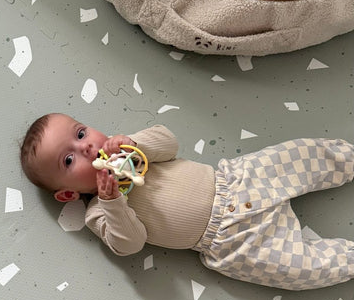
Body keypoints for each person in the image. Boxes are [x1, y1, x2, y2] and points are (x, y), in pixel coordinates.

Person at [20, 112, 354, 290]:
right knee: (296, 269)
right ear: (68, 194)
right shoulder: (99, 212)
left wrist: (134, 142)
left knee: (298, 156)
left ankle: (346, 159)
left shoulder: (131, 153)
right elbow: (130, 243)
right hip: (232, 240)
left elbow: (169, 142)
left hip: (236, 182)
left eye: (81, 133)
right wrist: (112, 200)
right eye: (69, 160)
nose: (86, 147)